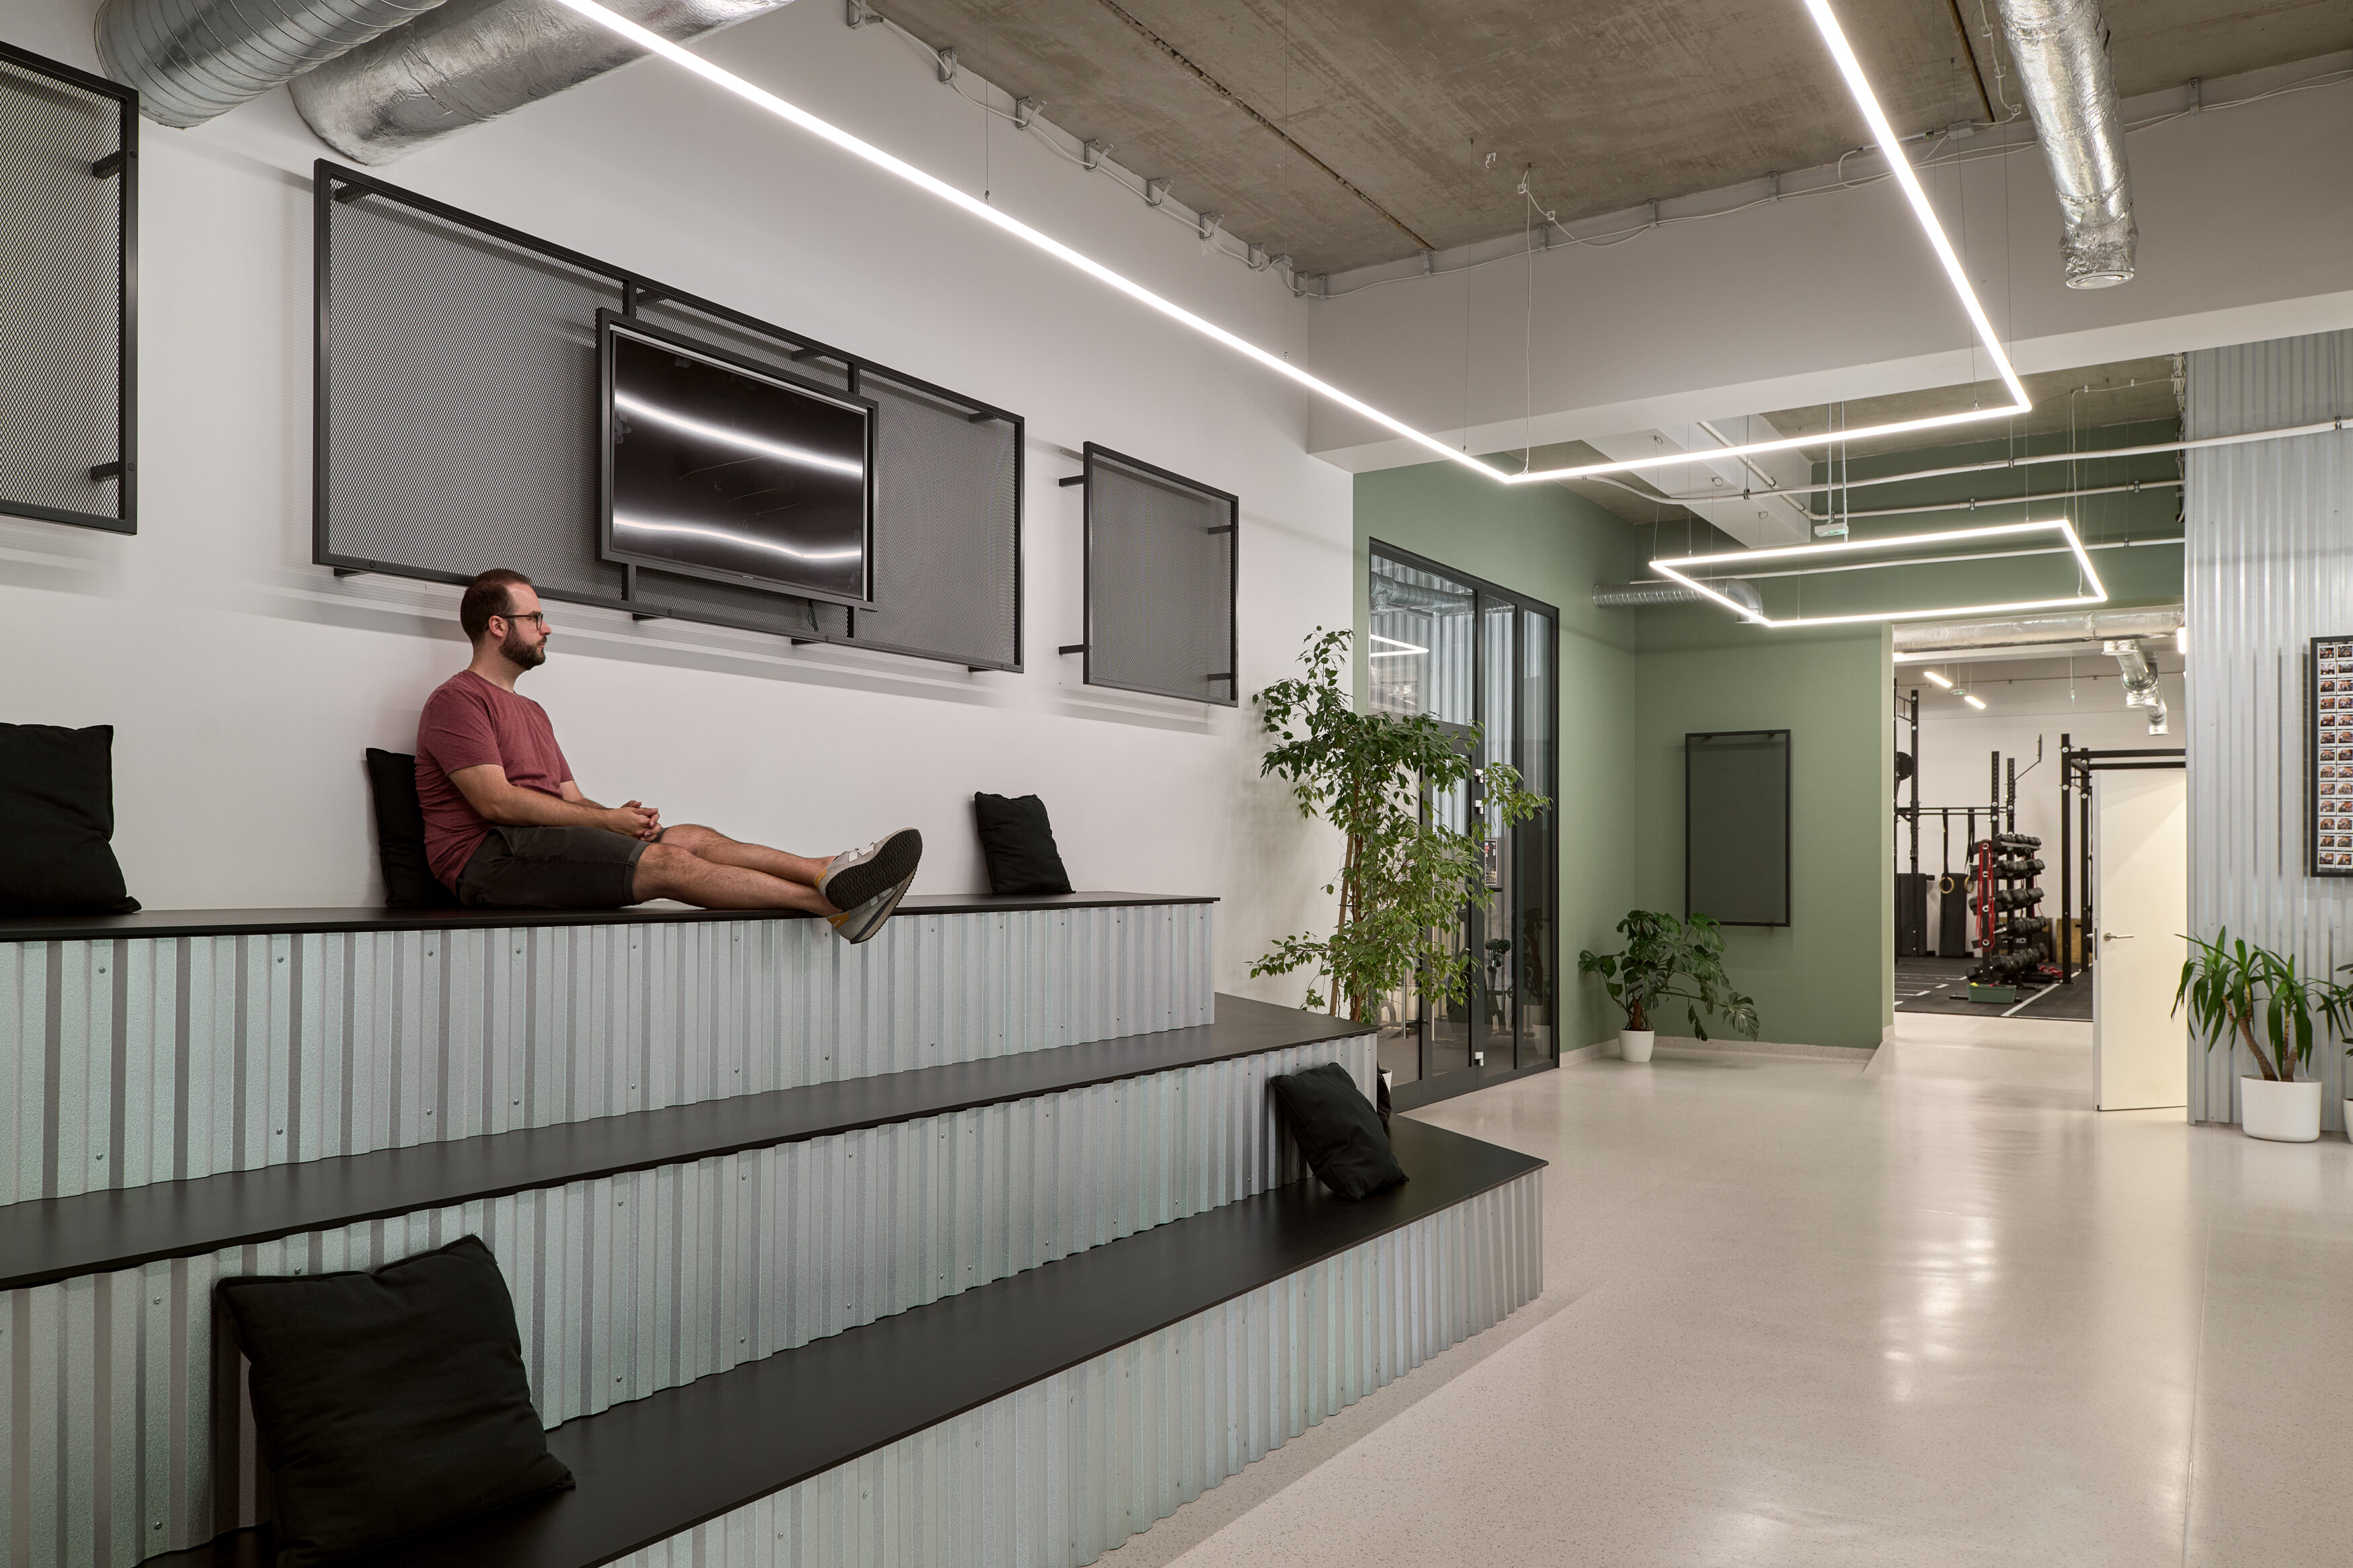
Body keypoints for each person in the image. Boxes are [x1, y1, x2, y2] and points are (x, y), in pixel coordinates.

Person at [414, 568, 920, 942]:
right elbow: (496, 801)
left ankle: (826, 869)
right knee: (669, 862)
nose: (547, 629)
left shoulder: (532, 711)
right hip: (486, 861)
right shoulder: (457, 700)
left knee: (687, 836)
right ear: (498, 626)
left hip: (534, 844)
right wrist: (605, 823)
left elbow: (571, 799)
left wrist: (621, 820)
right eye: (536, 618)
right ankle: (831, 904)